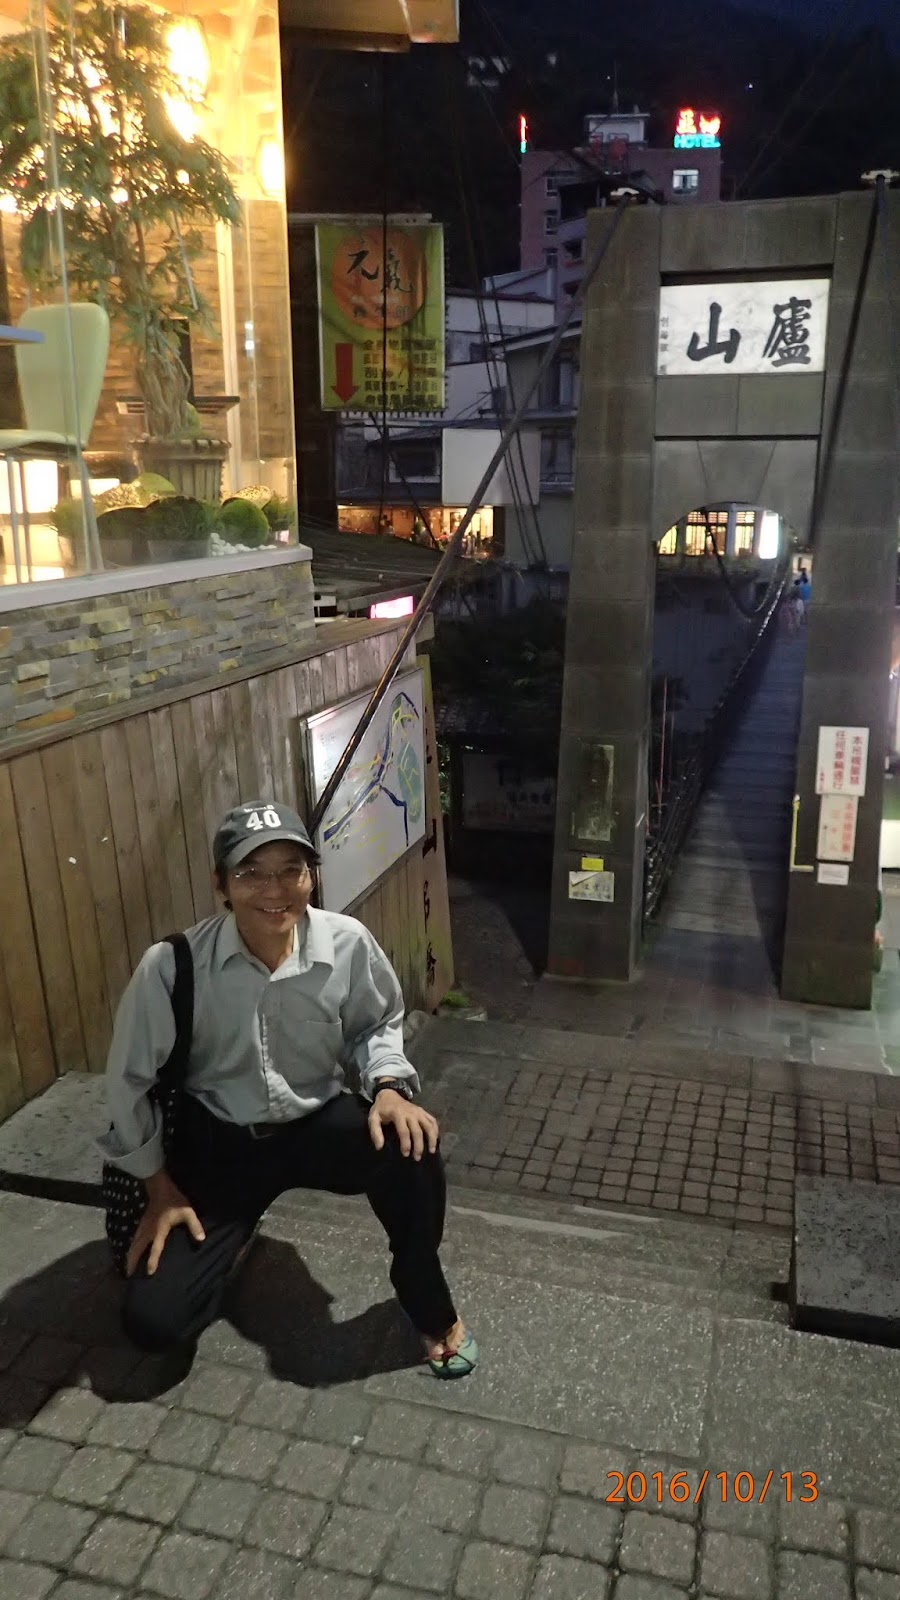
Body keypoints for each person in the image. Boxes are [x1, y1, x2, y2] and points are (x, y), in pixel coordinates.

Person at [99, 800, 477, 1379]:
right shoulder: (172, 967)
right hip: (220, 1142)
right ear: (221, 885)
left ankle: (425, 1297)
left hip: (314, 1123)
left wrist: (389, 1087)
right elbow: (128, 1081)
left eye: (290, 871)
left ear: (311, 877)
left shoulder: (346, 943)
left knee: (413, 1147)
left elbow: (377, 1024)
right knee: (153, 1323)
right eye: (251, 873)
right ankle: (232, 1241)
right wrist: (159, 1188)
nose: (274, 890)